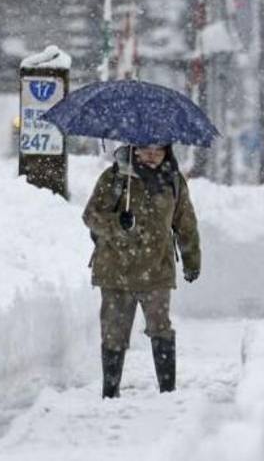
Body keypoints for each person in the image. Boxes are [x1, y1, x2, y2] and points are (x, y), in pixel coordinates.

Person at [83, 144, 201, 398]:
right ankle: (110, 392)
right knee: (114, 333)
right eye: (145, 150)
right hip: (115, 270)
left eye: (157, 150)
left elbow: (186, 223)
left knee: (161, 328)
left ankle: (167, 391)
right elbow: (90, 216)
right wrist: (116, 223)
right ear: (134, 149)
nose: (151, 156)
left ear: (166, 152)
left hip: (157, 270)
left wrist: (192, 261)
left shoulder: (173, 181)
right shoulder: (114, 178)